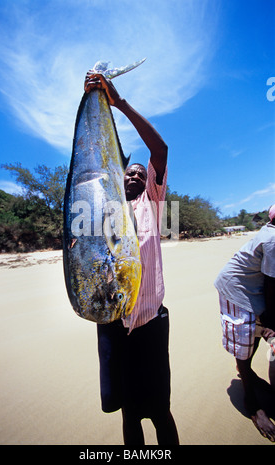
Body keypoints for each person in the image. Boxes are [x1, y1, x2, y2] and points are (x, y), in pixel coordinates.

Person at [84, 71, 179, 445]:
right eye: (130, 171)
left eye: (142, 172)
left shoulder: (153, 205)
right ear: (117, 179)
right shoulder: (104, 211)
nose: (137, 173)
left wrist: (118, 103)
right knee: (127, 411)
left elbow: (161, 151)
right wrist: (93, 101)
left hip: (150, 325)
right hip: (112, 326)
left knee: (159, 409)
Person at [214, 205, 275, 442]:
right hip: (235, 289)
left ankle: (245, 369)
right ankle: (252, 403)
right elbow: (272, 285)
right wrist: (270, 320)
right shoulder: (272, 240)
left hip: (255, 288)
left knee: (259, 329)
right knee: (246, 336)